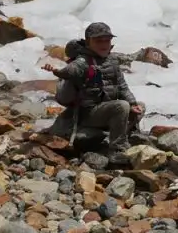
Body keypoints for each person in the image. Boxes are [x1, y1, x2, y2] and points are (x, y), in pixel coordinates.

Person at [42, 22, 144, 167]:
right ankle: (116, 150)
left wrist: (133, 104)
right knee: (121, 106)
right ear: (88, 42)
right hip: (88, 113)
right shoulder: (83, 61)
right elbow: (70, 70)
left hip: (106, 109)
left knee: (139, 106)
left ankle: (126, 135)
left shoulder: (112, 61)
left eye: (107, 40)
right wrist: (56, 70)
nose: (104, 44)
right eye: (98, 41)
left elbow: (122, 87)